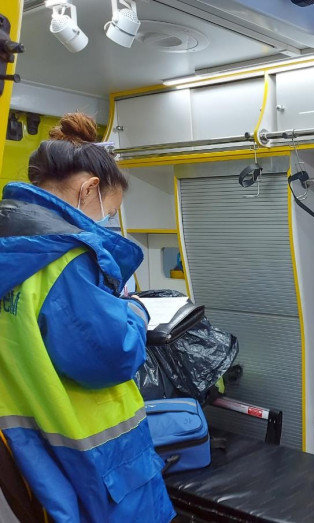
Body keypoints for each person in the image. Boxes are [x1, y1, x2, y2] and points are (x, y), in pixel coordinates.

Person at [0, 113, 175, 522]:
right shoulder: (65, 260)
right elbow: (112, 356)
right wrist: (134, 309)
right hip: (93, 454)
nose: (106, 222)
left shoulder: (12, 245)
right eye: (109, 212)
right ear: (89, 189)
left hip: (31, 442)